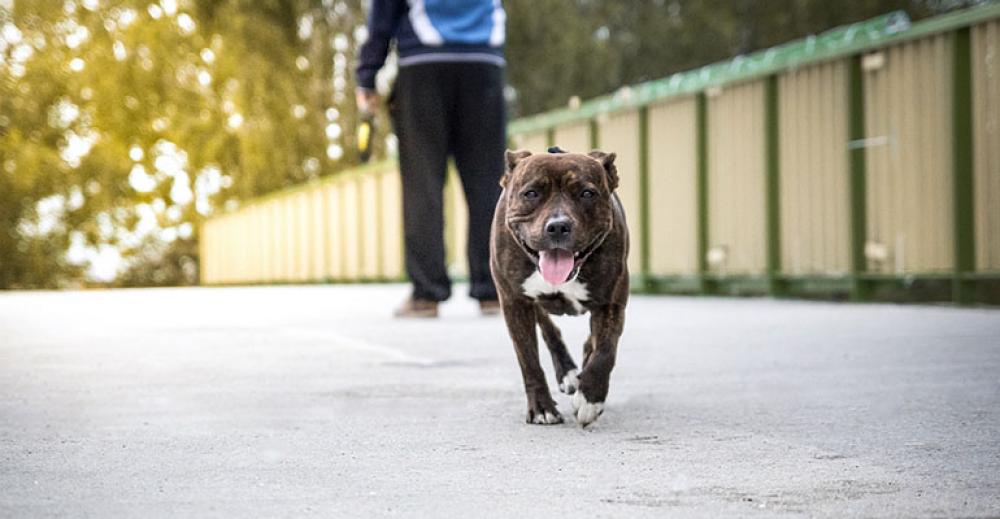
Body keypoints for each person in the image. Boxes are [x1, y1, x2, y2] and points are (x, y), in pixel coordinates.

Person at [355, 0, 507, 318]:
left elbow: (385, 13)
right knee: (489, 182)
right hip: (484, 61)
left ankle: (427, 294)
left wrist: (368, 73)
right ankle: (493, 290)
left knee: (422, 183)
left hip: (424, 61)